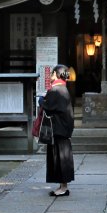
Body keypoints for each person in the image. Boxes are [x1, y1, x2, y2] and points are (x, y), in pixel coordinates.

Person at [39, 64, 75, 196]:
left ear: (56, 74)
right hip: (62, 129)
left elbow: (48, 107)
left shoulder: (56, 90)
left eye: (52, 73)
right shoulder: (62, 88)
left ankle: (63, 188)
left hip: (58, 129)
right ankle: (62, 186)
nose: (50, 76)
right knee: (62, 157)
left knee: (60, 158)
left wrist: (42, 101)